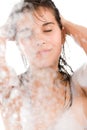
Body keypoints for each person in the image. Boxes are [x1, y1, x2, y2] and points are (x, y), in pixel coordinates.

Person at [0, 0, 87, 130]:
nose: (39, 40)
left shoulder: (79, 87)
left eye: (48, 29)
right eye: (27, 34)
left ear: (63, 35)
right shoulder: (9, 89)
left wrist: (67, 23)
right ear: (18, 43)